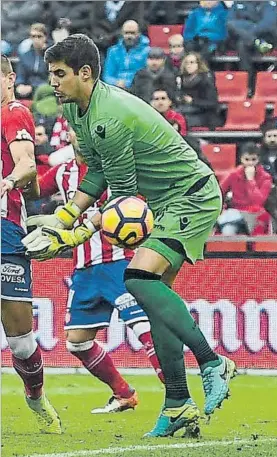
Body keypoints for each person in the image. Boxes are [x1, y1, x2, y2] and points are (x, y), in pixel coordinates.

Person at [23, 34, 236, 438]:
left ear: (84, 73)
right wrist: (63, 216)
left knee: (137, 277)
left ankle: (211, 361)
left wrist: (72, 236)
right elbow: (99, 172)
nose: (51, 82)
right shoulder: (78, 111)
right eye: (50, 73)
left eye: (59, 74)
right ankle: (178, 405)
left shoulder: (110, 115)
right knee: (155, 300)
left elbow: (120, 197)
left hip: (189, 197)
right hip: (166, 201)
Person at [28, 155, 164, 414]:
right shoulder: (63, 171)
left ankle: (178, 401)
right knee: (77, 342)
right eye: (74, 129)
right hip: (85, 270)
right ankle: (123, 394)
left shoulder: (115, 165)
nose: (79, 134)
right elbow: (34, 189)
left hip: (119, 263)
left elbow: (136, 202)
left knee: (147, 332)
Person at [0, 55, 61, 434]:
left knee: (21, 342)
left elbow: (26, 167)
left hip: (5, 229)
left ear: (9, 79)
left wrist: (11, 182)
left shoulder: (13, 112)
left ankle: (36, 396)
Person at [217, 142, 273, 236]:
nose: (250, 163)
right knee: (228, 230)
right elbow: (219, 192)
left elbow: (258, 201)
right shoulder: (233, 174)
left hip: (257, 214)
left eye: (253, 159)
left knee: (259, 233)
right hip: (236, 212)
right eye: (247, 159)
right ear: (241, 159)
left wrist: (251, 180)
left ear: (258, 159)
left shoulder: (266, 177)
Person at [227, 1, 277, 92]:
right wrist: (253, 38)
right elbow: (230, 21)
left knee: (242, 40)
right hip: (247, 41)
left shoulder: (268, 4)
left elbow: (268, 24)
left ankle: (248, 85)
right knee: (239, 40)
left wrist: (247, 30)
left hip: (266, 39)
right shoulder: (237, 3)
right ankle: (248, 86)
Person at [103, 20, 150, 89]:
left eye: (133, 33)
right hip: (115, 87)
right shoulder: (112, 51)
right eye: (126, 33)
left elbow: (146, 75)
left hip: (138, 88)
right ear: (122, 33)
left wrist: (127, 83)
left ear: (139, 33)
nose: (129, 36)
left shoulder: (147, 51)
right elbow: (107, 75)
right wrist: (116, 82)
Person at [178, 52, 220, 129]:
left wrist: (193, 101)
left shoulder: (207, 80)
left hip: (205, 115)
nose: (189, 65)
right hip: (187, 111)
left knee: (181, 122)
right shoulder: (180, 79)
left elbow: (212, 103)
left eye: (192, 62)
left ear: (199, 64)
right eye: (186, 63)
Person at [15, 23, 49, 99]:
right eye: (33, 36)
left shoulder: (52, 56)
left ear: (45, 37)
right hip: (27, 92)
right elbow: (20, 75)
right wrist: (20, 85)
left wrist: (33, 88)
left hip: (46, 92)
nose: (36, 40)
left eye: (39, 36)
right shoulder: (25, 56)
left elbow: (51, 79)